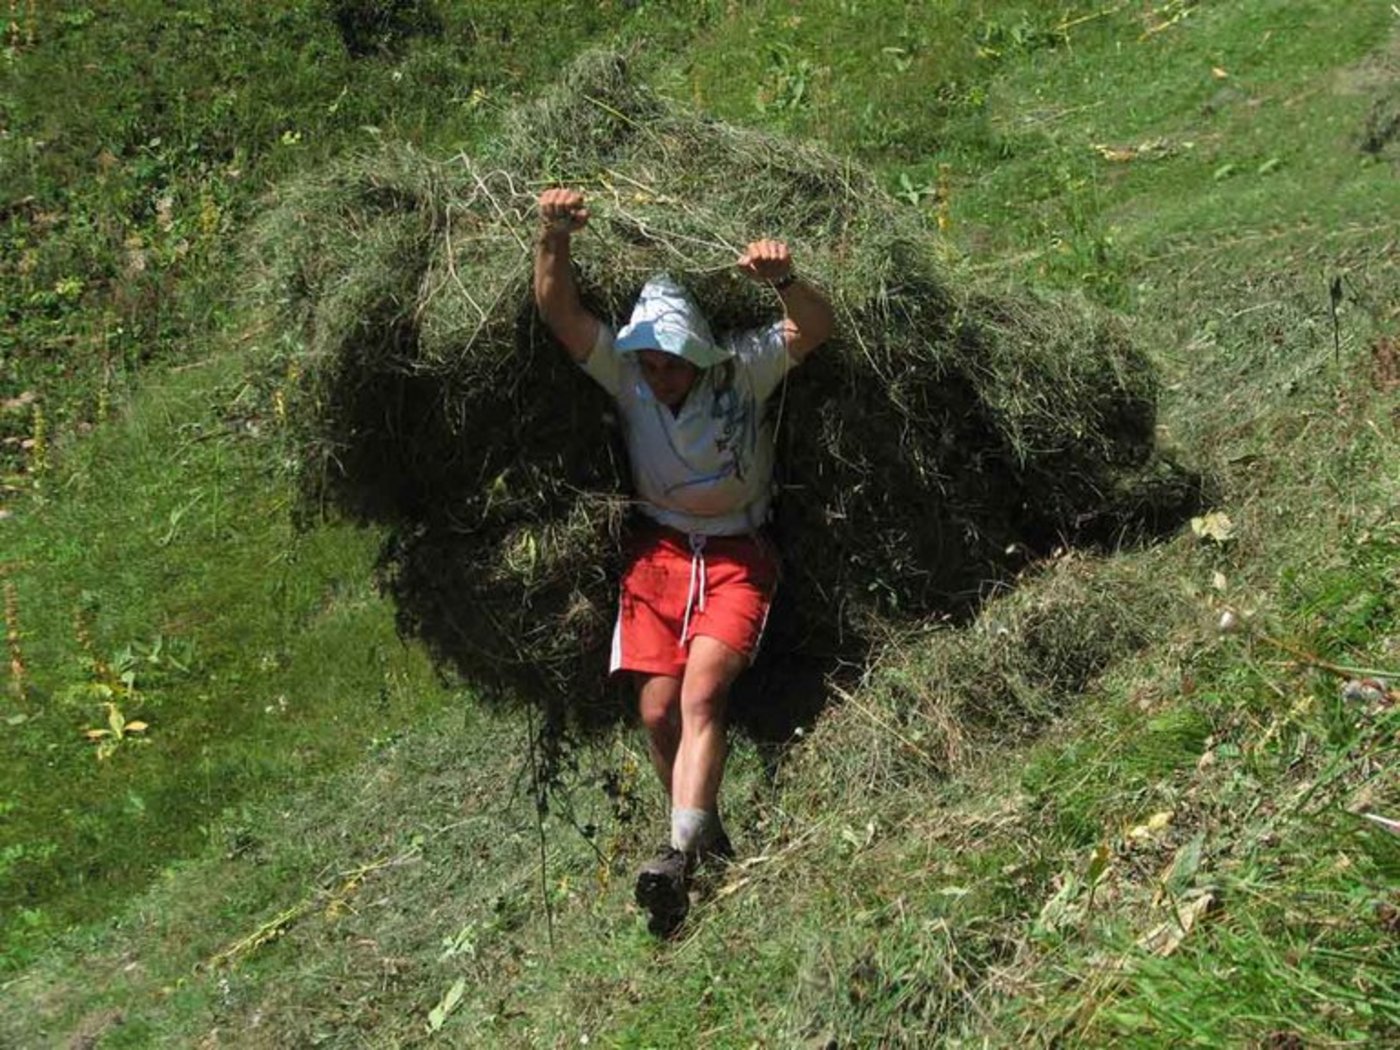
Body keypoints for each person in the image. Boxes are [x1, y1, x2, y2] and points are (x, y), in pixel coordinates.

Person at [533, 187, 834, 934]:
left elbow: (816, 327)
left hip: (736, 553)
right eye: (652, 362)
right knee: (657, 707)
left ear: (696, 352)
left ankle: (675, 854)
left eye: (672, 363)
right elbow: (559, 314)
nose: (661, 375)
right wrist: (553, 236)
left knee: (702, 694)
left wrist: (784, 279)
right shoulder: (630, 382)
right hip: (659, 556)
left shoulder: (740, 371)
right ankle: (702, 838)